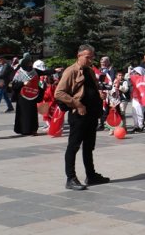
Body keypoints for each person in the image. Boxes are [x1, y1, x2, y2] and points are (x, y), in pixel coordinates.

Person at [54, 44, 109, 191]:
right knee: (73, 146)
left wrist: (99, 95)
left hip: (91, 114)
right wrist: (77, 104)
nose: (90, 60)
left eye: (92, 57)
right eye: (87, 57)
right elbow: (59, 93)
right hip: (79, 115)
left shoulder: (89, 71)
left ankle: (91, 175)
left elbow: (91, 88)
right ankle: (70, 178)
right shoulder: (71, 71)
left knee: (89, 147)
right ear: (79, 55)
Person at [12, 55, 50, 136]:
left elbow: (44, 72)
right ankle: (24, 130)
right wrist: (23, 83)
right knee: (23, 114)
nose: (30, 64)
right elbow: (13, 85)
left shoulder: (34, 71)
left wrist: (55, 70)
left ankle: (33, 129)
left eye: (31, 63)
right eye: (29, 63)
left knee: (33, 113)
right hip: (22, 97)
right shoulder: (19, 72)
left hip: (32, 95)